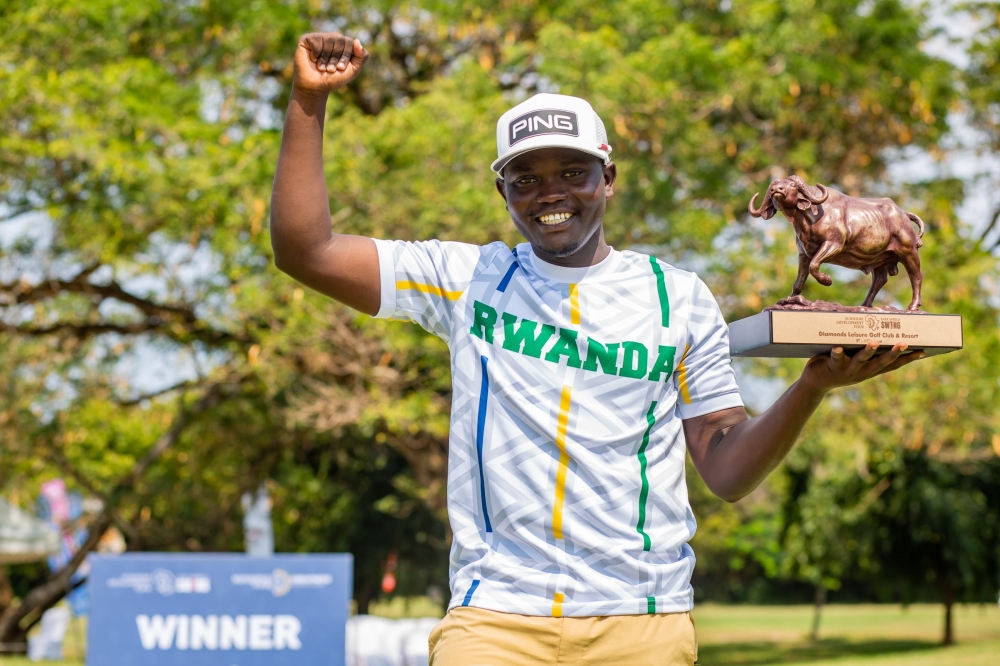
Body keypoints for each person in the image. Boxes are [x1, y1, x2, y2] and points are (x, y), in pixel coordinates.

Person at [270, 32, 924, 666]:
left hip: (642, 621)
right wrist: (308, 99)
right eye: (524, 179)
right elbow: (308, 250)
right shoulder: (468, 279)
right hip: (495, 619)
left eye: (573, 172)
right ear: (502, 193)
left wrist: (811, 387)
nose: (550, 192)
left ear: (608, 178)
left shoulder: (677, 297)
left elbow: (724, 470)